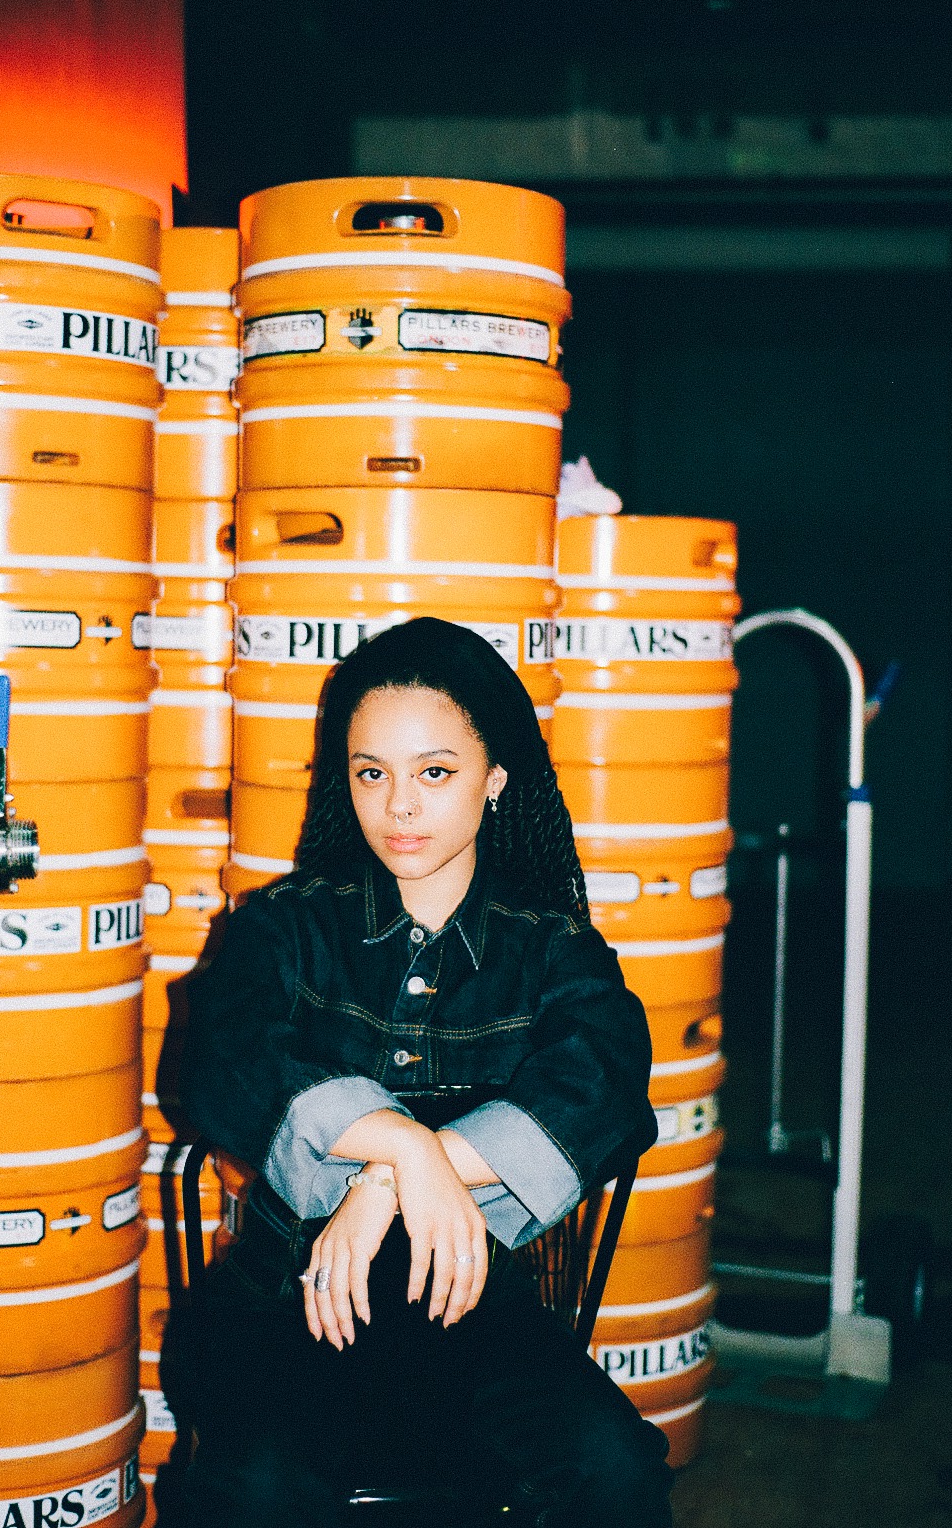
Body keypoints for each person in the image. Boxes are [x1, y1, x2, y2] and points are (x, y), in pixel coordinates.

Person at [178, 616, 674, 1527]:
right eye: (372, 773)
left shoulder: (551, 946)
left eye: (434, 772)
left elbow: (604, 1077)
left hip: (476, 1303)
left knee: (617, 1472)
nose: (399, 806)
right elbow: (221, 1053)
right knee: (256, 1490)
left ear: (496, 778)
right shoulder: (286, 926)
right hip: (292, 1298)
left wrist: (383, 1181)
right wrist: (406, 1148)